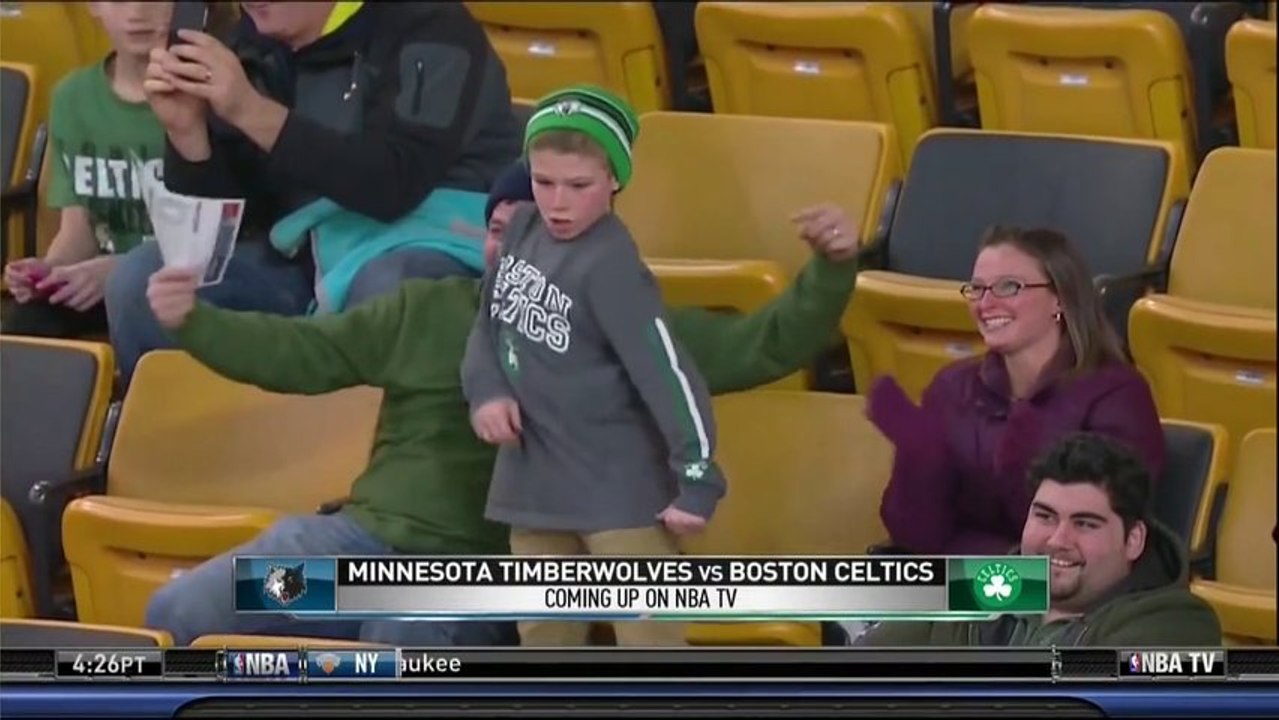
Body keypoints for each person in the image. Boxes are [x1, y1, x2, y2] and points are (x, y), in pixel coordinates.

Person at [140, 160, 862, 646]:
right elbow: (295, 356)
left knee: (404, 640)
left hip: (492, 571)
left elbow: (763, 345)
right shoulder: (422, 309)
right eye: (499, 229)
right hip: (360, 542)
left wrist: (829, 270)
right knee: (180, 613)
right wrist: (192, 322)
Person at [108, 0, 521, 385]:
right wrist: (187, 132)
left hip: (430, 247)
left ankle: (382, 457)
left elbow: (392, 184)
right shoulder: (248, 43)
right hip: (297, 263)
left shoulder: (430, 25)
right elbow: (233, 219)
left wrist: (251, 111)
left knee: (392, 292)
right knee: (140, 285)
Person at [463, 86, 723, 648]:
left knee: (649, 653)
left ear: (614, 181)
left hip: (621, 499)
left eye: (577, 186)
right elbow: (487, 324)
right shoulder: (525, 230)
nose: (557, 202)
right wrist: (486, 391)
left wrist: (697, 479)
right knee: (545, 646)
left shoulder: (613, 268)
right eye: (543, 181)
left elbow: (670, 376)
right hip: (533, 490)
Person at [869, 226, 1165, 555]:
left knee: (849, 591)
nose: (986, 303)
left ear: (1060, 298)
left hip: (1063, 588)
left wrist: (1019, 460)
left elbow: (1082, 543)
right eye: (977, 289)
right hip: (965, 579)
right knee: (821, 587)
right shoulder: (952, 387)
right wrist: (919, 457)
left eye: (1008, 287)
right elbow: (917, 538)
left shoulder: (1116, 395)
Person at [857, 432, 1222, 646]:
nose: (1057, 539)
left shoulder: (1177, 626)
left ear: (1134, 540)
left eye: (1086, 524)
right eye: (1045, 517)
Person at [2, 2, 174, 339]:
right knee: (29, 323)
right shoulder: (72, 97)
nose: (138, 12)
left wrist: (118, 270)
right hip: (98, 282)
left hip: (174, 285)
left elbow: (219, 245)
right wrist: (49, 272)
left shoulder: (206, 95)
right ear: (94, 6)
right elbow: (77, 232)